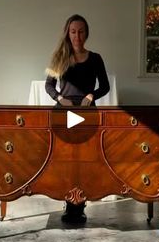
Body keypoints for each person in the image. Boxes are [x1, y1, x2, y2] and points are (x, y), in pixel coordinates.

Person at [45, 14, 110, 224]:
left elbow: (105, 86)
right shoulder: (59, 57)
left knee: (84, 160)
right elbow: (48, 86)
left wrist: (92, 95)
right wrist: (60, 98)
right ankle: (68, 202)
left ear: (86, 33)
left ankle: (80, 205)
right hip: (63, 112)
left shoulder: (96, 58)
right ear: (68, 33)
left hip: (86, 113)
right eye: (73, 31)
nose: (77, 36)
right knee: (64, 159)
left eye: (81, 31)